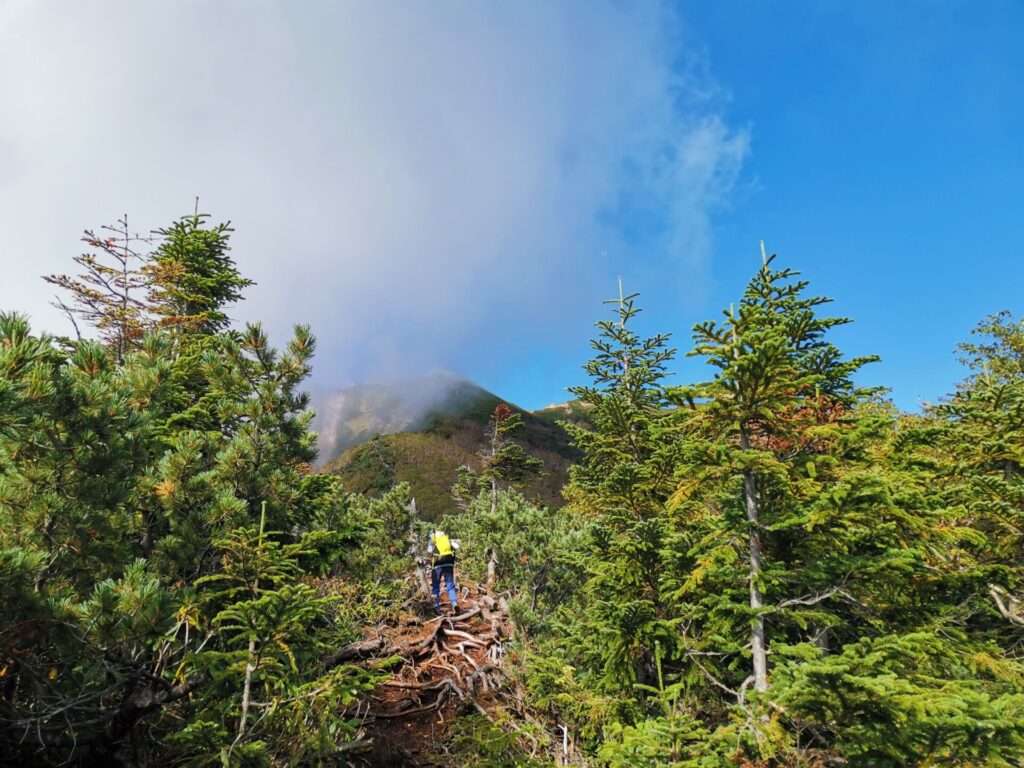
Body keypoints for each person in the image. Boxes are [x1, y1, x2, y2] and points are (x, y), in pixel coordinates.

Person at [427, 528, 459, 614]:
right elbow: (457, 546)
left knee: (436, 586)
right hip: (449, 563)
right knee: (450, 585)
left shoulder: (432, 539)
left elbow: (429, 550)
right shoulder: (445, 537)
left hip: (437, 564)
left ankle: (436, 606)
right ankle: (454, 603)